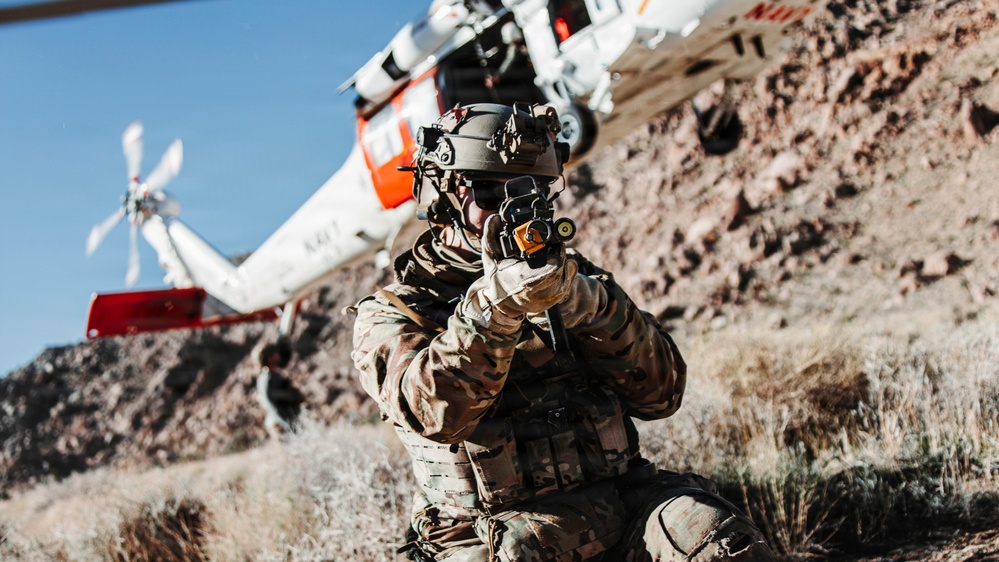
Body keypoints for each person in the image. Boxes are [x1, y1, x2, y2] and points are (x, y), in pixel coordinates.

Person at [350, 103, 775, 561]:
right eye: (493, 193)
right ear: (446, 194)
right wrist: (497, 308)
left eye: (535, 190)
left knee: (716, 539)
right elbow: (436, 414)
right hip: (490, 535)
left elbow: (663, 394)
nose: (518, 209)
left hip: (619, 508)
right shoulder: (393, 312)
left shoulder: (574, 276)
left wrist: (589, 306)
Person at [255, 339, 303, 439]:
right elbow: (282, 396)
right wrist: (295, 395)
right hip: (283, 422)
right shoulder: (269, 379)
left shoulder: (265, 378)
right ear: (270, 358)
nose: (278, 356)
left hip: (282, 421)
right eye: (274, 354)